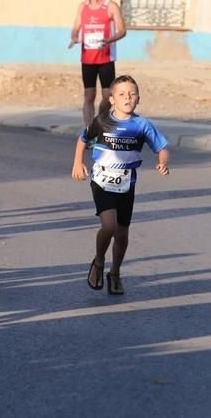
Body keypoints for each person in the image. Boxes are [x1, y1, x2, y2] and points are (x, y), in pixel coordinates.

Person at [71, 75, 169, 295]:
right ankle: (98, 261)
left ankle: (115, 273)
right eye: (122, 94)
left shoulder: (142, 125)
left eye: (132, 94)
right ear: (112, 99)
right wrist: (78, 163)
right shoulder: (102, 121)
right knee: (109, 226)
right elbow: (83, 140)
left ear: (138, 99)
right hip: (101, 180)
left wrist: (162, 162)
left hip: (127, 183)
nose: (127, 97)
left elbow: (161, 147)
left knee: (122, 233)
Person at [69, 0, 126, 128]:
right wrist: (74, 37)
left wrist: (108, 40)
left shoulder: (110, 6)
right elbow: (76, 28)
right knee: (89, 95)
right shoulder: (83, 7)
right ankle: (89, 130)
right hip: (88, 59)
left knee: (108, 97)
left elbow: (122, 31)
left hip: (106, 59)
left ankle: (99, 120)